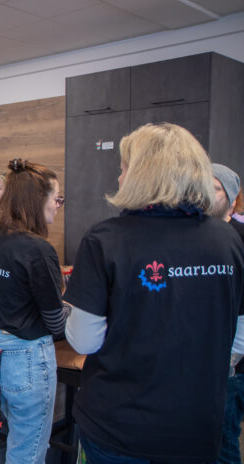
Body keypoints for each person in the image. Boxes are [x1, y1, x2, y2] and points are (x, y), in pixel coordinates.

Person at [63, 123, 244, 463]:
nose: (119, 178)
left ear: (143, 175)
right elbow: (236, 333)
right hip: (197, 426)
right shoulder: (228, 240)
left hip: (120, 428)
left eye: (122, 169)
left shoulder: (106, 239)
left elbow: (84, 341)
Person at [0, 159, 67, 463]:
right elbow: (56, 324)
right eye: (56, 198)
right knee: (28, 450)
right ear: (37, 201)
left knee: (19, 440)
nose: (58, 206)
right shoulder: (39, 250)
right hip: (26, 359)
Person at [211, 163, 244, 464]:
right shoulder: (195, 236)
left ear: (233, 199)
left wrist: (232, 357)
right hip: (200, 361)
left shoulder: (239, 238)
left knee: (223, 441)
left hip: (231, 362)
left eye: (215, 187)